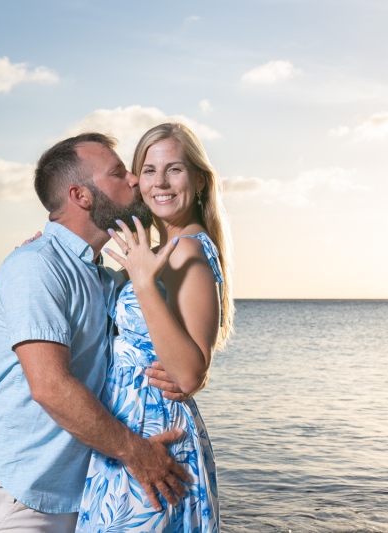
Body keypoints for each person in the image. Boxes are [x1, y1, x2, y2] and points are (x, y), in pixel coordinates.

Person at [0, 133, 191, 533]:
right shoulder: (35, 266)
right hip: (21, 495)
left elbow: (152, 334)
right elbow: (50, 387)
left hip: (80, 496)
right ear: (81, 196)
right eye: (118, 173)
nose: (135, 179)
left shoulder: (102, 278)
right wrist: (137, 454)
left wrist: (185, 375)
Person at [77, 122, 234, 532]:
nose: (160, 182)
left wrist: (143, 283)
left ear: (199, 180)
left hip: (156, 439)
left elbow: (188, 373)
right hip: (132, 438)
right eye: (149, 170)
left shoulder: (188, 250)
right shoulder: (164, 249)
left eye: (174, 169)